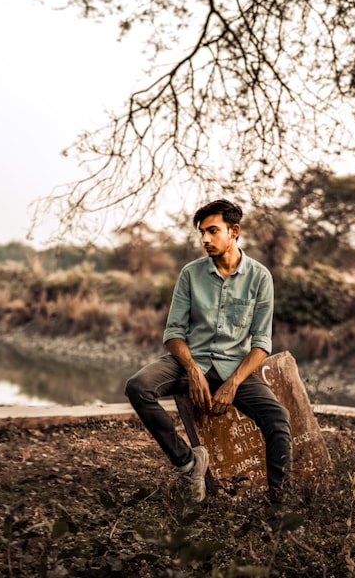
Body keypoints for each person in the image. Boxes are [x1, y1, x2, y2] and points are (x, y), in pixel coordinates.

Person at [124, 199, 292, 505]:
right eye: (202, 232)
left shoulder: (259, 277)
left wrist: (233, 384)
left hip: (234, 368)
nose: (205, 239)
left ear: (234, 231)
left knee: (277, 417)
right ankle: (188, 464)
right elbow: (173, 333)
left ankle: (281, 509)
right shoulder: (190, 274)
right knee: (138, 387)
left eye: (213, 231)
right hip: (190, 360)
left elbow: (261, 343)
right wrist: (191, 370)